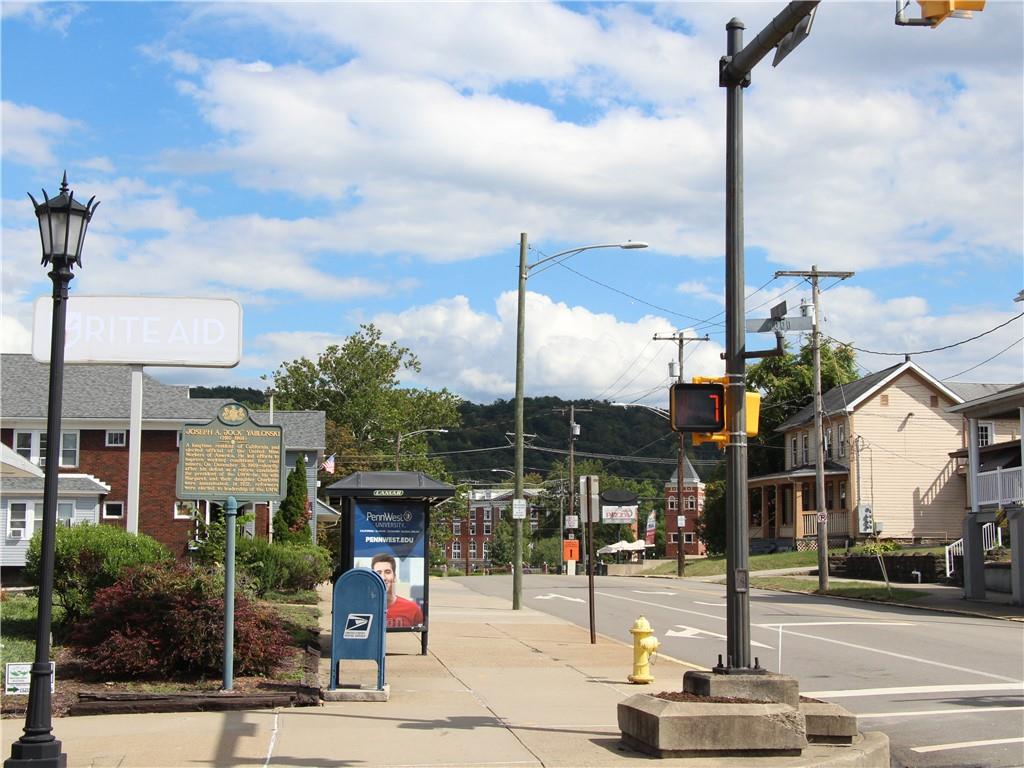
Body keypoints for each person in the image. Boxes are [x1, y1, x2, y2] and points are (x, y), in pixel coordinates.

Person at [371, 552, 424, 628]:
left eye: (387, 572)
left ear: (395, 577)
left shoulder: (412, 608)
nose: (383, 577)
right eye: (378, 573)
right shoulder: (363, 608)